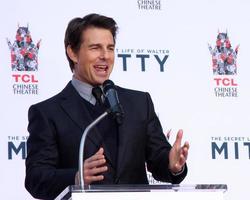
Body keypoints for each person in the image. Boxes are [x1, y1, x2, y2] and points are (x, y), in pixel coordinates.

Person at [25, 13, 189, 200]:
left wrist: (173, 165)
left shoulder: (139, 103)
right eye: (95, 48)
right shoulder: (47, 113)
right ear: (73, 52)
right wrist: (76, 177)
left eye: (110, 48)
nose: (105, 56)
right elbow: (36, 178)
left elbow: (159, 160)